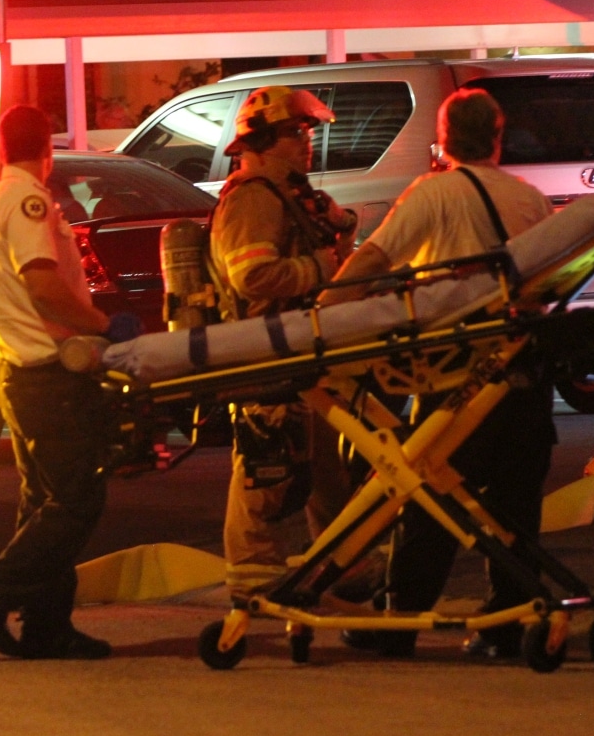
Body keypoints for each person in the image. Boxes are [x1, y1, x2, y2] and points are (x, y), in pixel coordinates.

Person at [319, 89, 554, 659]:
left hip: (453, 373)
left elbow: (374, 260)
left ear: (442, 140)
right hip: (521, 370)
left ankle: (400, 621)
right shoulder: (529, 199)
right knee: (515, 507)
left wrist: (322, 314)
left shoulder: (432, 193)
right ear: (497, 136)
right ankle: (504, 626)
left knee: (427, 495)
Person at [0, 105, 138, 659]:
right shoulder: (29, 201)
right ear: (48, 149)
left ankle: (47, 626)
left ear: (3, 146)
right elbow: (44, 287)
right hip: (47, 377)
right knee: (76, 500)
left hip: (15, 371)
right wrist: (103, 326)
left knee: (43, 504)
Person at [209, 86, 357, 599]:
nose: (307, 141)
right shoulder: (252, 197)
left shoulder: (288, 194)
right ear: (263, 140)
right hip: (267, 349)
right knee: (267, 464)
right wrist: (319, 267)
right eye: (295, 132)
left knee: (324, 463)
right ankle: (252, 573)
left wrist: (338, 226)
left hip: (302, 347)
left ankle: (344, 563)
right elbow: (252, 277)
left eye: (308, 131)